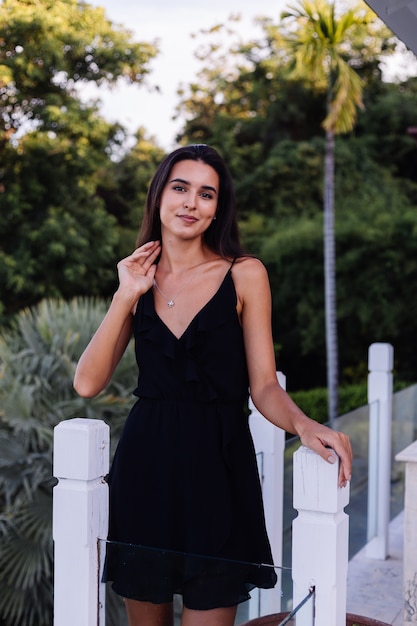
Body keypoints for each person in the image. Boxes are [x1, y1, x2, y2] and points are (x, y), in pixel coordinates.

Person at [74, 144, 352, 626]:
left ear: (217, 208)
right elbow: (88, 382)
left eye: (207, 194)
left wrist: (303, 425)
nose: (191, 203)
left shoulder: (245, 274)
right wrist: (125, 295)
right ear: (159, 194)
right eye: (180, 188)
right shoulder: (137, 279)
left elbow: (263, 385)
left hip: (220, 473)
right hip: (146, 473)